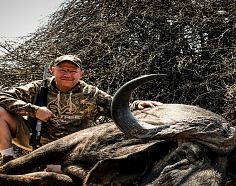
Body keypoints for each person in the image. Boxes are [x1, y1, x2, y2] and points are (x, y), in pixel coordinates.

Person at [0, 54, 162, 166]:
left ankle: (59, 164)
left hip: (74, 147)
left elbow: (116, 107)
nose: (67, 74)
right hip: (35, 139)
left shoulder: (91, 92)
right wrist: (33, 110)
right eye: (62, 69)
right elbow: (2, 95)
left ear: (81, 73)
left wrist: (137, 105)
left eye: (72, 71)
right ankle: (8, 159)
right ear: (52, 71)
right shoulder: (38, 87)